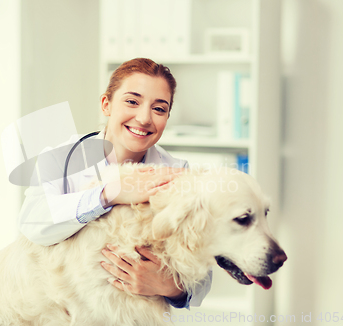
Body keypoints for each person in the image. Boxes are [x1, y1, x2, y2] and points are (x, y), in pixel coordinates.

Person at [18, 58, 212, 309]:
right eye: (132, 101)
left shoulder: (178, 174)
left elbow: (201, 269)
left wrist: (169, 286)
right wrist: (109, 194)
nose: (144, 118)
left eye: (159, 109)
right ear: (106, 104)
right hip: (61, 309)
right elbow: (33, 223)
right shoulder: (60, 158)